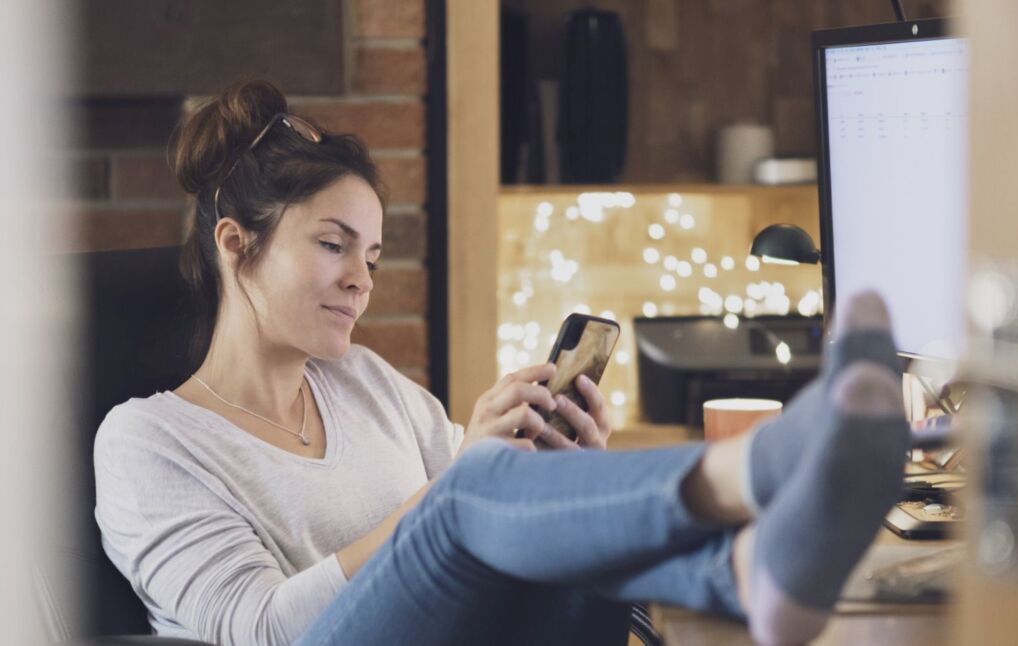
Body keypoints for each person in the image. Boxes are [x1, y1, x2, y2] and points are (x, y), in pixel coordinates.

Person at [93, 80, 911, 646]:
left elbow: (494, 518)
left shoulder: (365, 385)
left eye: (373, 257)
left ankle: (753, 569)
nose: (360, 281)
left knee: (549, 518)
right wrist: (454, 489)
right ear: (237, 246)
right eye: (333, 245)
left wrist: (559, 464)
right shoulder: (148, 441)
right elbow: (260, 629)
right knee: (470, 489)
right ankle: (767, 467)